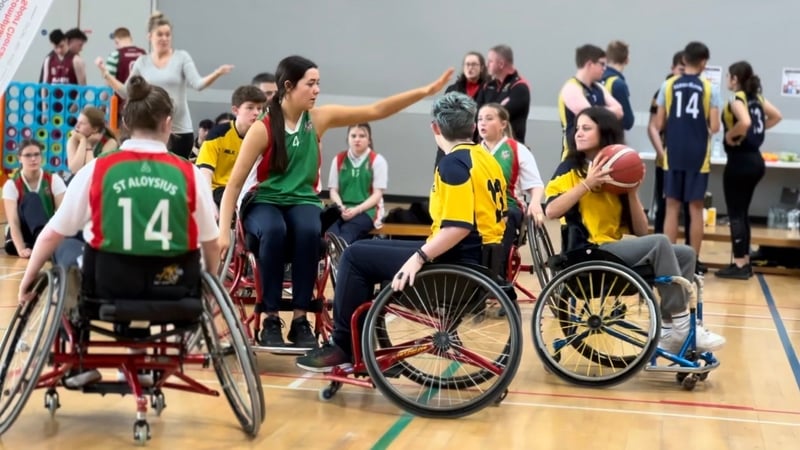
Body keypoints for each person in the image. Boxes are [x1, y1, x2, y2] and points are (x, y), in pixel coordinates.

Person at [218, 55, 453, 349]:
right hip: (263, 200)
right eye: (311, 84)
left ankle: (301, 319)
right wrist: (221, 232)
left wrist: (425, 92)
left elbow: (376, 110)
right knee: (274, 231)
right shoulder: (263, 128)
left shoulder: (318, 119)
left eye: (318, 84)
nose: (317, 90)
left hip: (301, 200)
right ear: (289, 86)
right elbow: (235, 184)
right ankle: (269, 318)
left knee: (307, 231)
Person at [17, 76, 219, 387]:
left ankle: (78, 352)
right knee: (142, 259)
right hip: (175, 286)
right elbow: (211, 241)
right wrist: (210, 284)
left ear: (124, 121)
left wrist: (27, 279)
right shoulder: (190, 173)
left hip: (107, 287)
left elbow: (50, 234)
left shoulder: (98, 168)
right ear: (168, 123)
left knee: (65, 245)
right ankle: (142, 354)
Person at [296, 91, 508, 371]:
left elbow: (458, 227)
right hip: (483, 260)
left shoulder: (454, 164)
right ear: (472, 127)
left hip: (456, 264)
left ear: (435, 128)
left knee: (354, 257)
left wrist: (418, 257)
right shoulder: (486, 159)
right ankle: (363, 345)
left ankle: (343, 346)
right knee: (367, 250)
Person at [544, 106, 725, 353]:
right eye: (577, 128)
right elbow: (551, 211)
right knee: (661, 242)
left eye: (587, 128)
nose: (578, 133)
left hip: (611, 250)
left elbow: (641, 231)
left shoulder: (617, 172)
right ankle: (683, 325)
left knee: (685, 253)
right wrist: (588, 183)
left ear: (604, 132)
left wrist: (631, 193)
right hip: (587, 251)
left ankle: (670, 329)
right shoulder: (570, 169)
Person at [97, 11, 233, 159]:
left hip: (180, 130)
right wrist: (106, 74)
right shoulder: (142, 62)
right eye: (160, 34)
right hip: (152, 130)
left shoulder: (181, 57)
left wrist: (217, 73)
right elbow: (125, 92)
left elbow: (198, 84)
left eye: (168, 34)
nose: (164, 38)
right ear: (150, 36)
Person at [652, 41, 721, 272]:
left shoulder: (668, 85)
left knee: (672, 206)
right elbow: (715, 125)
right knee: (695, 208)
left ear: (684, 60)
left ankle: (669, 261)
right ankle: (692, 261)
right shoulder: (711, 89)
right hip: (698, 153)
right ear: (703, 62)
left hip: (675, 151)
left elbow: (659, 123)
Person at [716, 61, 782, 279]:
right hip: (756, 160)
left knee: (735, 213)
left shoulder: (737, 100)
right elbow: (776, 116)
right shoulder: (757, 99)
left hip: (740, 161)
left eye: (728, 76)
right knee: (742, 212)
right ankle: (744, 259)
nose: (727, 80)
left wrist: (730, 135)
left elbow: (743, 122)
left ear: (735, 79)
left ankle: (740, 263)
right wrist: (755, 130)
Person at [477, 103, 544, 267]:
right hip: (480, 208)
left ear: (503, 124)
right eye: (479, 119)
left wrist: (535, 203)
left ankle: (496, 274)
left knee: (502, 217)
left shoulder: (517, 149)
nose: (482, 123)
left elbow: (536, 184)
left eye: (489, 118)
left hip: (509, 207)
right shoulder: (474, 151)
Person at [196, 86, 267, 206]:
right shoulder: (218, 134)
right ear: (235, 110)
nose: (256, 112)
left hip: (251, 191)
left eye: (259, 108)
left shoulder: (265, 136)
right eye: (250, 107)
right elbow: (205, 172)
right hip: (220, 189)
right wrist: (208, 203)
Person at [648, 51, 692, 243]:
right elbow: (653, 127)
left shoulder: (695, 93)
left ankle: (691, 256)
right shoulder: (663, 91)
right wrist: (662, 154)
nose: (683, 73)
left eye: (686, 69)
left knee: (691, 208)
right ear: (673, 68)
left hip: (690, 160)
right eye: (680, 69)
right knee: (664, 207)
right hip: (666, 160)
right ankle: (659, 251)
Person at [558, 44, 623, 159]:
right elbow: (591, 117)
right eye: (602, 64)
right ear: (589, 64)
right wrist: (603, 112)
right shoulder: (571, 88)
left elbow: (619, 111)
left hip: (597, 155)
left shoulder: (598, 87)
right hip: (575, 157)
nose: (604, 69)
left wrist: (596, 109)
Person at [3, 140, 66, 257]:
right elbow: (14, 222)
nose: (33, 159)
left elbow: (63, 214)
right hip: (22, 235)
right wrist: (21, 248)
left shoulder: (54, 179)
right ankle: (42, 246)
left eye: (37, 154)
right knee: (32, 198)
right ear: (20, 158)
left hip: (47, 230)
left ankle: (44, 244)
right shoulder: (11, 184)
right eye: (28, 155)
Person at [327, 123, 388, 244]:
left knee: (347, 233)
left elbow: (377, 195)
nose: (357, 139)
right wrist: (340, 207)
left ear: (369, 140)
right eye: (353, 136)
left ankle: (339, 260)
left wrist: (356, 210)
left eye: (362, 136)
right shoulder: (339, 159)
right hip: (342, 209)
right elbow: (333, 190)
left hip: (367, 211)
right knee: (329, 231)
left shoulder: (377, 160)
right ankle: (331, 261)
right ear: (348, 139)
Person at [434, 51, 489, 167]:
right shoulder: (453, 89)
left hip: (478, 145)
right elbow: (442, 116)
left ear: (482, 68)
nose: (470, 68)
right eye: (467, 64)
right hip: (452, 142)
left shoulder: (490, 90)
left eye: (474, 64)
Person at [476, 45, 531, 142]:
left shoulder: (519, 87)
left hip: (509, 148)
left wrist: (490, 112)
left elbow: (501, 115)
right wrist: (499, 106)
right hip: (486, 146)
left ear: (501, 64)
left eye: (490, 61)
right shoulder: (487, 85)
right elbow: (477, 112)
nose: (486, 65)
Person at [67, 106, 119, 175]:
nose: (77, 126)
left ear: (95, 129)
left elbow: (93, 172)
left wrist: (88, 145)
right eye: (77, 121)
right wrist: (83, 141)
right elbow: (74, 169)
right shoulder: (75, 138)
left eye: (82, 123)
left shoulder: (110, 143)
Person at [601, 40, 634, 130]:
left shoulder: (595, 79)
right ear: (627, 60)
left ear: (606, 58)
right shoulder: (618, 84)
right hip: (610, 137)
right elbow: (628, 121)